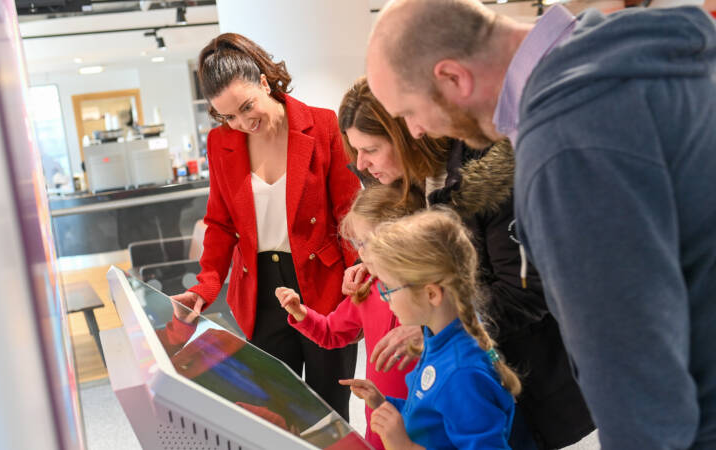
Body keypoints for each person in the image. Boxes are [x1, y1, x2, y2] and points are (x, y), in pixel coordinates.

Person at [366, 0, 716, 448]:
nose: (414, 131)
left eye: (408, 111)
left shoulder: (564, 148)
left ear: (453, 77)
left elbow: (631, 368)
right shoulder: (627, 63)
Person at [339, 77, 592, 448]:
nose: (363, 163)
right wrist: (380, 262)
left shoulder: (489, 180)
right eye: (356, 150)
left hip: (520, 371)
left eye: (371, 149)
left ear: (408, 133)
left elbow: (524, 291)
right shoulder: (407, 183)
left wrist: (438, 319)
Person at [172, 32, 361, 420]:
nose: (242, 123)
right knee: (275, 410)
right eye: (228, 116)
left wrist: (358, 273)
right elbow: (220, 224)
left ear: (263, 81)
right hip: (260, 291)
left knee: (330, 411)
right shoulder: (221, 142)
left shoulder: (322, 125)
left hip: (324, 285)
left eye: (246, 107)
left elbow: (348, 212)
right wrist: (205, 287)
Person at [342, 209, 521, 449]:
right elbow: (429, 412)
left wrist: (405, 446)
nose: (385, 299)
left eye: (389, 288)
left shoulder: (462, 374)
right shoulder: (436, 339)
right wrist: (384, 403)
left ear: (431, 294)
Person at [275, 182, 425, 450]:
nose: (361, 253)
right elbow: (332, 333)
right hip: (379, 420)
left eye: (366, 242)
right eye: (357, 244)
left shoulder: (430, 291)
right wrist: (301, 313)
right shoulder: (367, 286)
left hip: (425, 424)